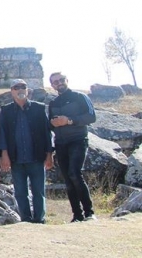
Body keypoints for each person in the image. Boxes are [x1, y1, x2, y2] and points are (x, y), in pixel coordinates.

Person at [0, 79, 54, 224]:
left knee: (38, 192)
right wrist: (4, 154)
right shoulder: (6, 110)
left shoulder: (39, 108)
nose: (20, 90)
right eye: (16, 87)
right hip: (16, 158)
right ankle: (26, 220)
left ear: (27, 90)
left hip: (36, 157)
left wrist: (49, 154)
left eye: (23, 87)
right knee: (20, 192)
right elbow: (2, 134)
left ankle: (39, 219)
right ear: (12, 91)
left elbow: (47, 133)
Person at [48, 72, 96, 222]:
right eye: (56, 82)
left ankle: (89, 213)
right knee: (68, 179)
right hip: (61, 144)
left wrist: (69, 121)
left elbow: (91, 116)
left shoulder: (80, 97)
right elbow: (50, 125)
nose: (59, 83)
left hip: (78, 140)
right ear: (52, 85)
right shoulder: (53, 103)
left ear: (67, 80)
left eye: (61, 80)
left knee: (75, 173)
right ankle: (77, 215)